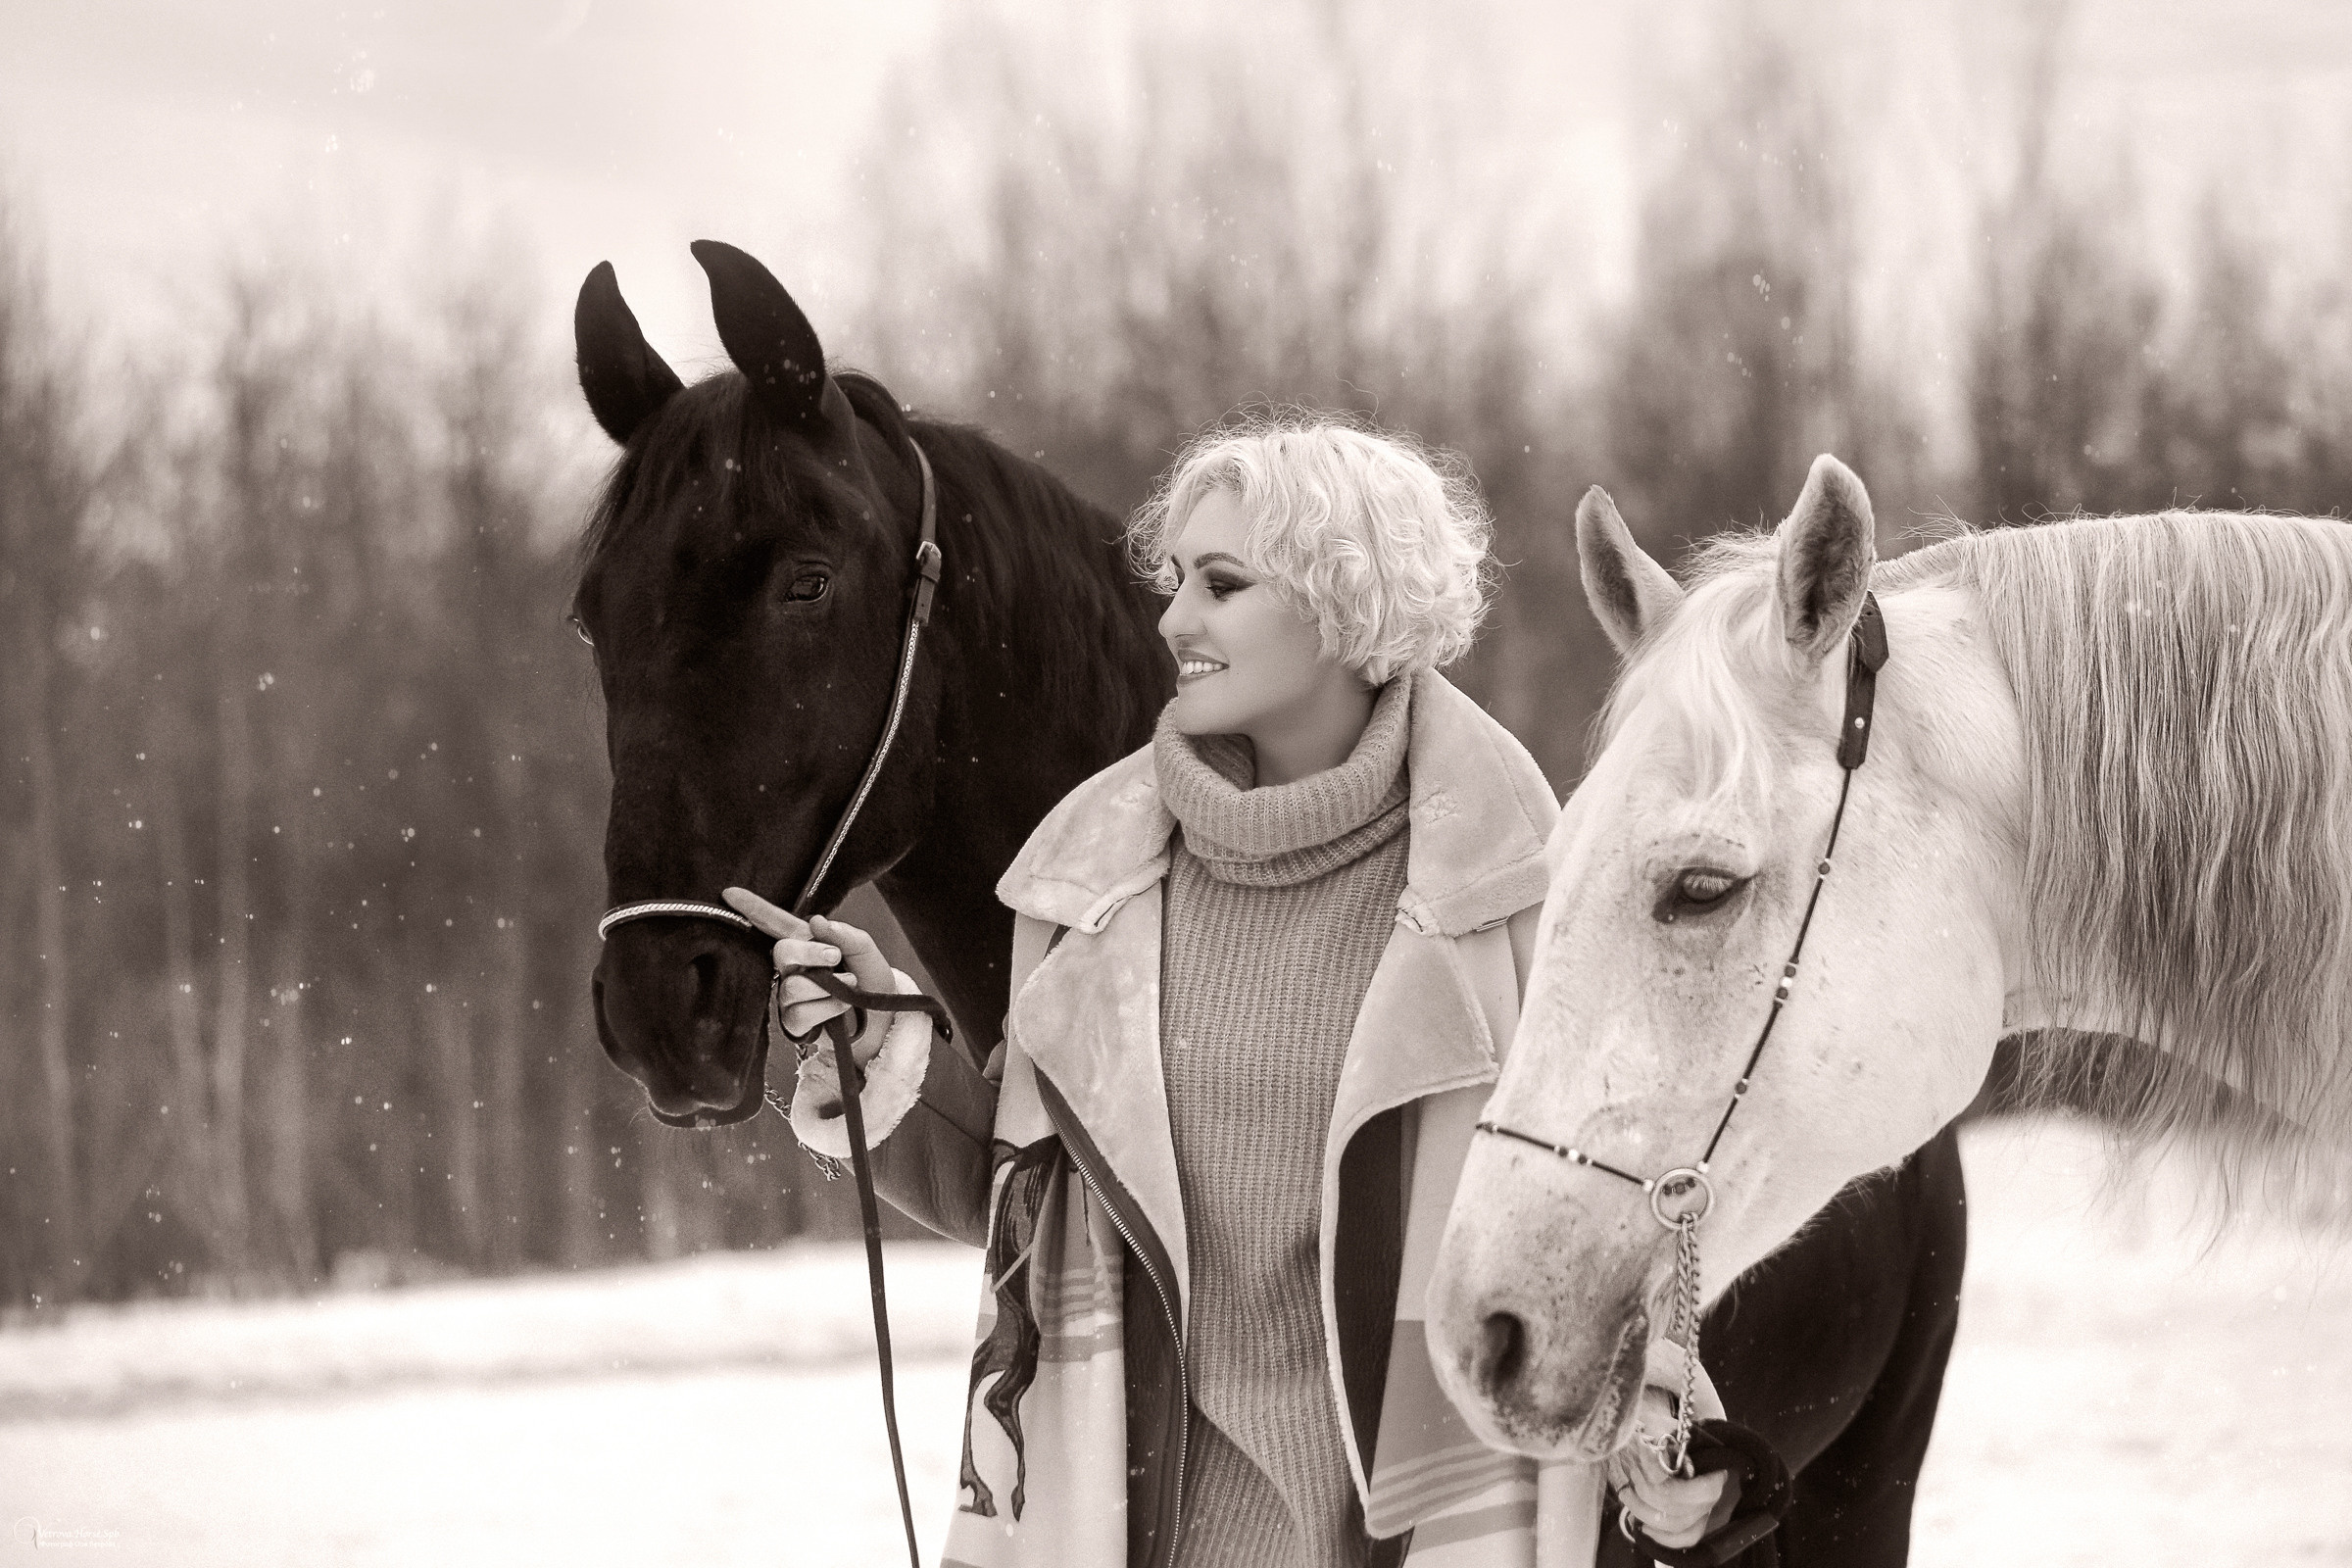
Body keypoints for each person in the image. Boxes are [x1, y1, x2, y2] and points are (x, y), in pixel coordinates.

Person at [724, 412, 1732, 1566]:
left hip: (1426, 1536)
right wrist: (875, 1042)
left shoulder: (1514, 889)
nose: (1172, 619)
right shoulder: (1089, 882)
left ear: (1345, 604)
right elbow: (1024, 1206)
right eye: (1176, 580)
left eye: (1221, 583)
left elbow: (1603, 1214)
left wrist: (1666, 1423)